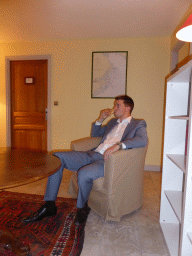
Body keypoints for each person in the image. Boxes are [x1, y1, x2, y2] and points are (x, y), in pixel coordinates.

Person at [22, 95, 148, 225]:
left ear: (128, 108)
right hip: (92, 154)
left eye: (118, 105)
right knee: (56, 159)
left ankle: (82, 208)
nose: (114, 108)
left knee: (84, 173)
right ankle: (49, 205)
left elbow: (142, 140)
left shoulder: (138, 124)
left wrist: (119, 145)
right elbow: (95, 134)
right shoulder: (112, 122)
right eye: (114, 105)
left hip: (108, 161)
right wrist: (100, 119)